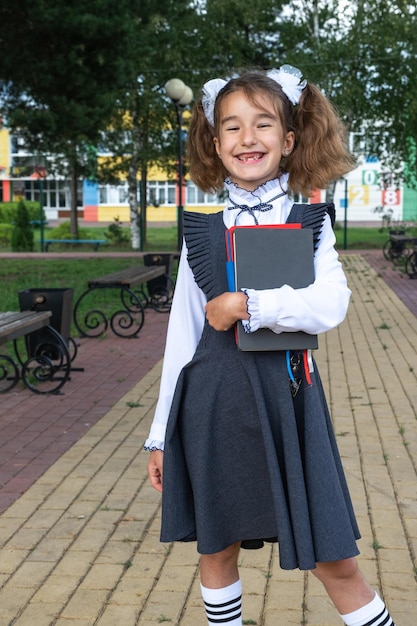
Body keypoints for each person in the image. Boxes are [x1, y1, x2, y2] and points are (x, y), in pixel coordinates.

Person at [145, 65, 396, 626]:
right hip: (212, 400)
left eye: (262, 125)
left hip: (289, 400)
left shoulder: (307, 219)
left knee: (334, 558)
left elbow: (331, 304)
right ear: (215, 142)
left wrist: (249, 305)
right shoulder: (200, 225)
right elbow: (182, 334)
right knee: (217, 547)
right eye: (231, 127)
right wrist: (160, 433)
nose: (247, 138)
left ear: (287, 139)